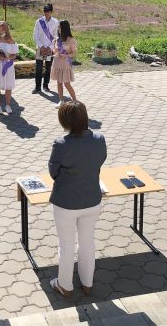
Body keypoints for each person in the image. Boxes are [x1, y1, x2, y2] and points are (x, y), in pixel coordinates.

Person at [48, 101, 106, 297]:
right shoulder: (99, 139)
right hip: (92, 198)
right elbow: (100, 161)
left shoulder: (61, 144)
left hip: (66, 202)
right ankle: (87, 283)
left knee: (66, 244)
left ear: (64, 121)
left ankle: (65, 285)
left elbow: (53, 172)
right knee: (87, 241)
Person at [0, 21, 18, 114]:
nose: (1, 32)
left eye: (3, 29)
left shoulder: (11, 41)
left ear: (6, 30)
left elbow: (15, 55)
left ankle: (8, 105)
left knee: (8, 86)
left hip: (8, 66)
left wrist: (9, 57)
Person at [32, 3, 59, 94]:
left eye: (48, 11)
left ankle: (46, 85)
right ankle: (37, 87)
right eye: (45, 11)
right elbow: (35, 35)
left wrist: (50, 47)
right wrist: (41, 46)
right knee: (38, 68)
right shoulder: (39, 21)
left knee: (48, 68)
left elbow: (56, 36)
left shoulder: (55, 22)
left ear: (51, 12)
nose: (46, 13)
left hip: (50, 49)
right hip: (40, 48)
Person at [51, 20, 77, 107]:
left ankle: (75, 101)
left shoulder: (71, 40)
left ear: (64, 28)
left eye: (60, 27)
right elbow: (54, 50)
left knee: (67, 83)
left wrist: (66, 55)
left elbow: (74, 53)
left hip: (65, 64)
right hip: (57, 63)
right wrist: (55, 51)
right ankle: (61, 100)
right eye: (58, 27)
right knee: (59, 83)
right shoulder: (57, 39)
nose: (58, 29)